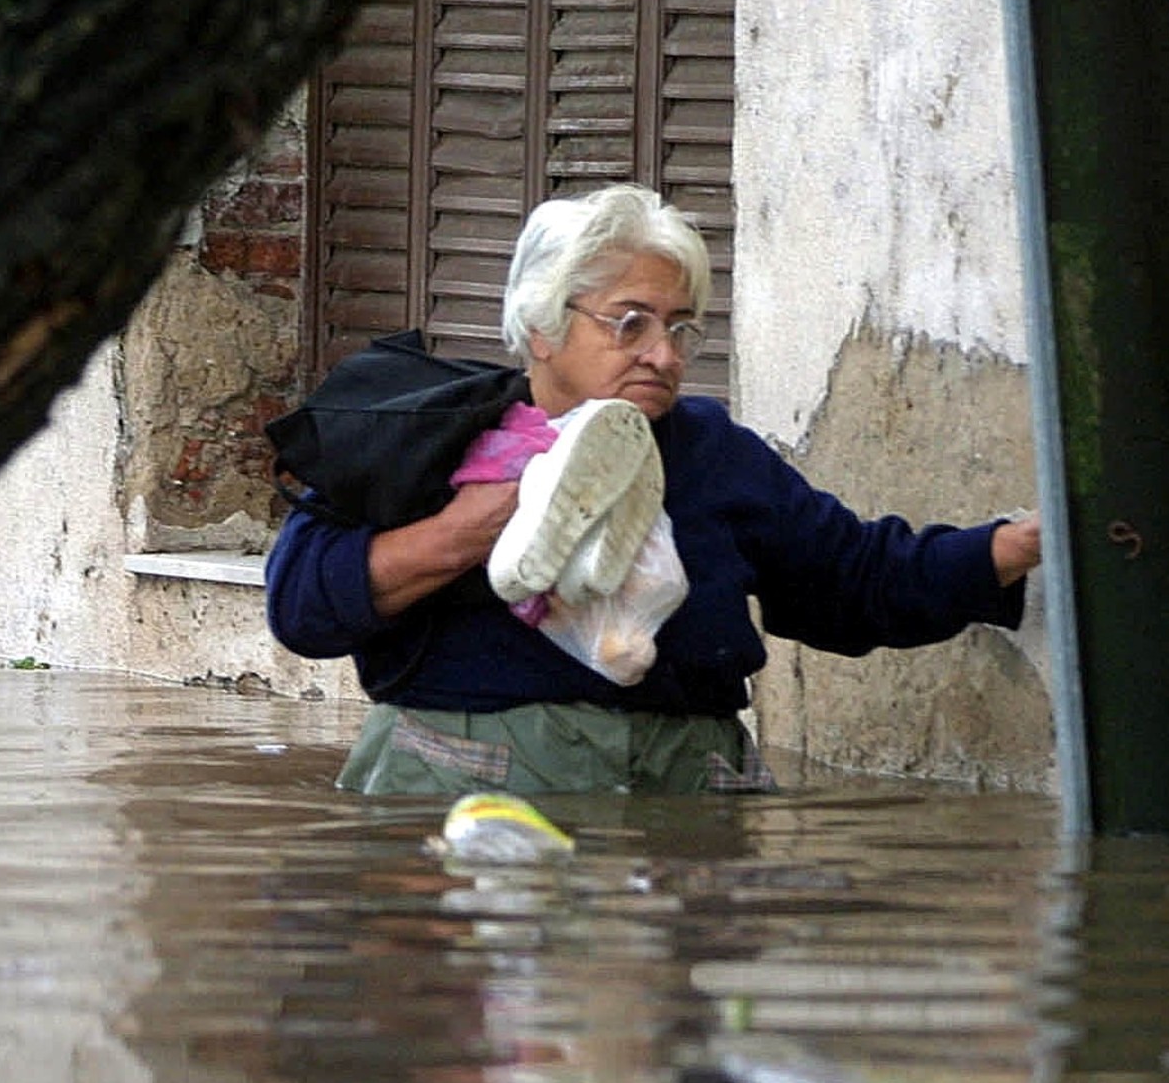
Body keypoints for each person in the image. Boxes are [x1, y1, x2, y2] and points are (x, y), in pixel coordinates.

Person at [266, 184, 1042, 795]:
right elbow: (302, 606)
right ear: (541, 325)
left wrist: (1018, 546)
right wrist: (479, 526)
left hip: (686, 789)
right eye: (628, 323)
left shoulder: (712, 453)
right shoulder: (434, 438)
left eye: (679, 328)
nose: (663, 355)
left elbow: (858, 581)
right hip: (470, 789)